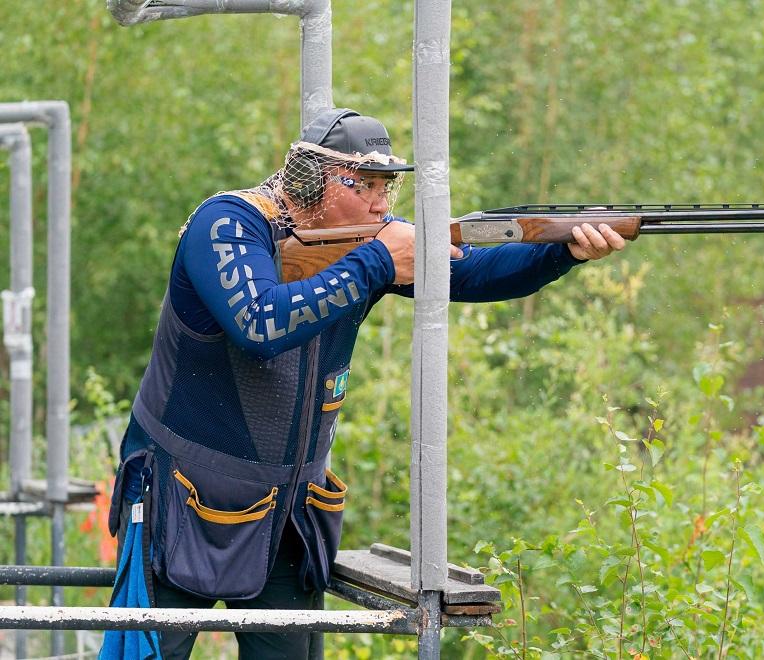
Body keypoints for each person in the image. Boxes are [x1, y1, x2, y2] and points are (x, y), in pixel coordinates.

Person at [106, 107, 625, 658]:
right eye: (366, 185)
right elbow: (259, 323)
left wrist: (561, 250)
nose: (381, 203)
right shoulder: (229, 223)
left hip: (286, 514)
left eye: (387, 187)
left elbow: (473, 274)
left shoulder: (363, 244)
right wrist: (377, 261)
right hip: (180, 494)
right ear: (313, 179)